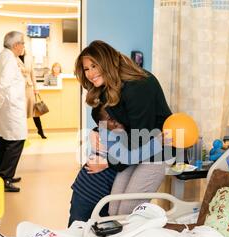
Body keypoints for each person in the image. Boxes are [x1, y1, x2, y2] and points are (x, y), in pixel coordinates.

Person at [74, 40, 174, 216]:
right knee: (114, 211)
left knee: (127, 212)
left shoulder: (138, 86)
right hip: (132, 151)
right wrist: (94, 133)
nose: (90, 74)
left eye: (93, 66)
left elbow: (141, 139)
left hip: (154, 152)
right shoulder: (108, 87)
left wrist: (108, 162)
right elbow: (109, 120)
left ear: (106, 62)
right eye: (86, 69)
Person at [68, 105, 124, 226]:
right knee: (76, 227)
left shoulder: (109, 133)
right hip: (85, 191)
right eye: (109, 119)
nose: (115, 121)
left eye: (114, 117)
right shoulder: (103, 136)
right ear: (101, 125)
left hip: (103, 193)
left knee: (99, 230)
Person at [0, 31, 27, 193]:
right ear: (16, 45)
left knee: (3, 141)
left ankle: (3, 174)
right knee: (16, 141)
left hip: (5, 107)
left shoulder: (2, 57)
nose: (23, 46)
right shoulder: (9, 59)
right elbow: (2, 84)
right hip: (9, 108)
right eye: (22, 43)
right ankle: (5, 177)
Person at [18, 51, 47, 139]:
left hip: (29, 87)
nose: (21, 48)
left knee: (35, 111)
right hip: (19, 89)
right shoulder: (13, 58)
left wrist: (36, 88)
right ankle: (22, 133)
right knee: (21, 112)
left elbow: (32, 74)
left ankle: (40, 131)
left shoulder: (28, 58)